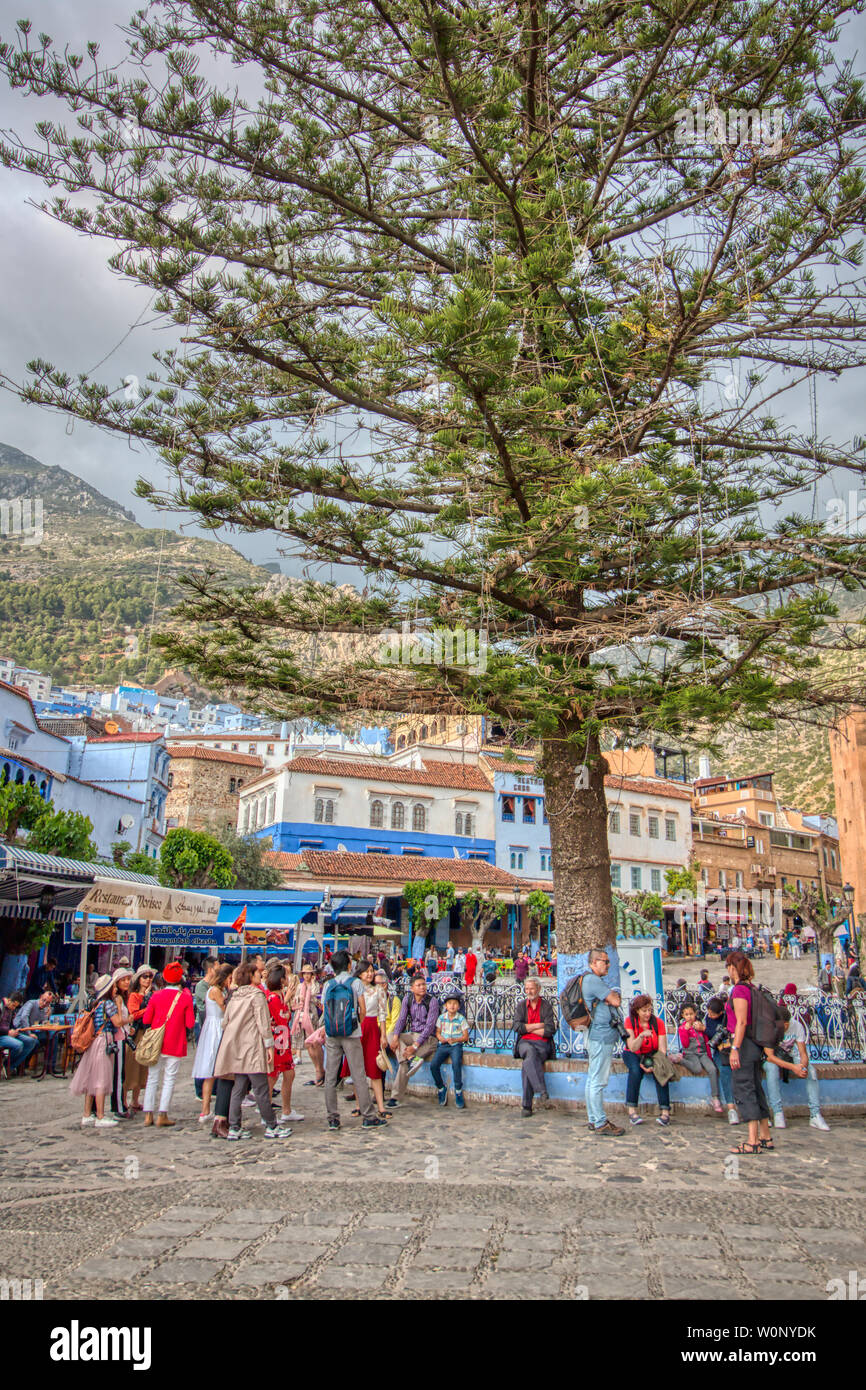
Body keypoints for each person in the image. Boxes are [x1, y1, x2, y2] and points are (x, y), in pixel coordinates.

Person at [212, 961, 290, 1140]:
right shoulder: (257, 996)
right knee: (261, 1088)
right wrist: (269, 1046)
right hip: (253, 1046)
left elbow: (225, 1021)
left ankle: (234, 1127)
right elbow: (263, 1024)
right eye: (256, 972)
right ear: (250, 976)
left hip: (236, 1047)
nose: (260, 975)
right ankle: (271, 1125)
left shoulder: (235, 995)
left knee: (238, 1088)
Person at [320, 950, 384, 1131]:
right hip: (352, 1033)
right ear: (349, 965)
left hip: (332, 1033)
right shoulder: (355, 983)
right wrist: (356, 1024)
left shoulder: (328, 984)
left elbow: (324, 1009)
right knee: (358, 1075)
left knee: (331, 1076)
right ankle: (368, 1116)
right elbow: (362, 1009)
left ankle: (332, 1117)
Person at [725, 950, 773, 1155]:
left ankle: (752, 1140)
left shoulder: (739, 991)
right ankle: (765, 1136)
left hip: (743, 1045)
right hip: (753, 1044)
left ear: (733, 968)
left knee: (745, 1088)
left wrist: (735, 1048)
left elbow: (741, 1022)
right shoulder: (752, 988)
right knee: (756, 1087)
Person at [141, 960, 195, 1127]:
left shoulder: (156, 996)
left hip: (156, 1043)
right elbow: (190, 1023)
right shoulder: (185, 997)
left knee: (152, 1078)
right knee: (169, 1079)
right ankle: (162, 1114)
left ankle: (148, 1114)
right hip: (175, 1042)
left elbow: (146, 1019)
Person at [764, 1004, 830, 1131]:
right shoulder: (769, 1028)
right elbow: (770, 1057)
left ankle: (815, 1114)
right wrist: (793, 1067)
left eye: (787, 1024)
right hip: (773, 1057)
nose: (786, 1027)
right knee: (772, 1070)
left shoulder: (797, 1026)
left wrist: (802, 1067)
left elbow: (802, 1052)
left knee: (811, 1071)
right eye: (783, 1025)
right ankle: (777, 1112)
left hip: (790, 1055)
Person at [581, 948, 625, 1136]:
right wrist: (611, 999)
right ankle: (600, 1121)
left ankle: (593, 1118)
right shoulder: (592, 980)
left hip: (596, 1036)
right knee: (598, 1081)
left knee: (593, 1079)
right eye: (604, 961)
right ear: (593, 963)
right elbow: (615, 1000)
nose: (608, 965)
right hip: (601, 1037)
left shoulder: (592, 981)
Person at [69, 974, 122, 1127]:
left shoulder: (96, 1004)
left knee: (91, 1078)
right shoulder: (109, 1004)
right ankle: (100, 1115)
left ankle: (87, 1114)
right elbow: (117, 1022)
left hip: (94, 1041)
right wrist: (127, 1017)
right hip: (104, 1040)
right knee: (100, 1079)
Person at [387, 971, 440, 1107]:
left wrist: (415, 1046)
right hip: (412, 1034)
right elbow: (402, 1019)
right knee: (390, 1035)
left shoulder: (431, 1001)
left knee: (403, 1063)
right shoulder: (407, 999)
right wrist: (395, 1037)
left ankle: (395, 1097)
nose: (422, 987)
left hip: (428, 1039)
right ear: (412, 988)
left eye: (423, 984)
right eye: (418, 985)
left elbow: (429, 1027)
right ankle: (411, 1059)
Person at [192, 962, 233, 1120]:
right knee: (212, 1068)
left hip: (213, 1026)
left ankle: (207, 1108)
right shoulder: (216, 991)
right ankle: (207, 1108)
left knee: (210, 1070)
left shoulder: (213, 989)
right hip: (216, 1027)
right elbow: (226, 1009)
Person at [264, 964, 304, 1125]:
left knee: (288, 1073)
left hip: (283, 1039)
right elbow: (282, 1016)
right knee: (273, 1076)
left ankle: (286, 1110)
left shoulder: (278, 996)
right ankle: (266, 1111)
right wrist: (288, 1006)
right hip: (277, 1041)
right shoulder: (273, 997)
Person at [623, 994, 671, 1126]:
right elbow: (632, 1047)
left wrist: (654, 1064)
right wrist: (641, 1036)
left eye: (649, 1010)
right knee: (636, 1071)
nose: (647, 1013)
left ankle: (665, 1111)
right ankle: (632, 1109)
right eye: (644, 1011)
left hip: (652, 1053)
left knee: (660, 1070)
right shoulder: (630, 1022)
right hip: (634, 1053)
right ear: (637, 1011)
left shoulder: (658, 1023)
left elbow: (662, 1049)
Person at [512, 975, 556, 1116]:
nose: (529, 991)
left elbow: (550, 1030)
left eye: (532, 988)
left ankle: (527, 1106)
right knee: (529, 1053)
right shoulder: (521, 1006)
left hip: (542, 1044)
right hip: (524, 1043)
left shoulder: (546, 1006)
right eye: (527, 989)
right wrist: (537, 1026)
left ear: (538, 989)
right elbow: (517, 1027)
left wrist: (528, 1028)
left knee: (528, 1062)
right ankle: (541, 1089)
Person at [676, 1003, 724, 1114]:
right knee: (697, 1069)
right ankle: (680, 1060)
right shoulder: (683, 1028)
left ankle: (715, 1097)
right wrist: (685, 1031)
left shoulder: (699, 1025)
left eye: (691, 1014)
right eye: (686, 1014)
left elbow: (706, 1042)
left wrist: (709, 1056)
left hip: (702, 1053)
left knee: (712, 1069)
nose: (689, 1017)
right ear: (683, 1016)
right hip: (690, 1054)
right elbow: (685, 1044)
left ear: (695, 1014)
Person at [430, 990, 469, 1108]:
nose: (452, 1006)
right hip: (444, 1044)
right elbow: (437, 1032)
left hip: (456, 1045)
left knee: (456, 1063)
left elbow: (465, 1036)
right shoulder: (442, 1018)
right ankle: (441, 1087)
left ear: (458, 1006)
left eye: (455, 1003)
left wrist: (456, 1040)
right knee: (434, 1065)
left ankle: (458, 1090)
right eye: (449, 1003)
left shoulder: (461, 1019)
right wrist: (441, 1038)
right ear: (446, 1006)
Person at [124, 964, 155, 1111]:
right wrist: (147, 1006)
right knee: (131, 1066)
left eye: (150, 977)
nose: (148, 980)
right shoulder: (134, 996)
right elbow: (133, 1014)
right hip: (136, 1033)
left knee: (143, 1068)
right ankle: (123, 1099)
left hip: (147, 1032)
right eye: (145, 976)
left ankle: (135, 1100)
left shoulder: (152, 994)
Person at [704, 995, 738, 1124]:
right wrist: (706, 1030)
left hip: (733, 1048)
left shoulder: (728, 1018)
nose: (709, 1015)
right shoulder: (708, 1018)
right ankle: (731, 1108)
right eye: (709, 1012)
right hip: (720, 1051)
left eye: (712, 1014)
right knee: (724, 1071)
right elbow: (713, 1037)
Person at [294, 963, 325, 1085]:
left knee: (315, 1042)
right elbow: (296, 999)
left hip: (312, 1014)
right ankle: (317, 1067)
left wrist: (308, 996)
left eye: (309, 973)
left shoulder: (315, 986)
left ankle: (319, 1068)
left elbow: (315, 997)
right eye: (305, 973)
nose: (307, 975)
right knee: (307, 1043)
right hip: (301, 1015)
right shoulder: (299, 986)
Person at [0, 991, 39, 1075]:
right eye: (13, 1005)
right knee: (18, 1045)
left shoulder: (11, 1010)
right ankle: (6, 1065)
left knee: (32, 1041)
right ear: (9, 1000)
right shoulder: (1, 1007)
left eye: (15, 1006)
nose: (14, 1008)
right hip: (2, 1035)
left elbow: (11, 1024)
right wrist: (8, 1032)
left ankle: (10, 1066)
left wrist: (16, 1030)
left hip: (9, 1033)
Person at [193, 961, 216, 1044]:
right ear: (210, 970)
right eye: (217, 967)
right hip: (202, 1023)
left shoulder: (216, 985)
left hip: (212, 1023)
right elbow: (210, 1001)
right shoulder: (201, 985)